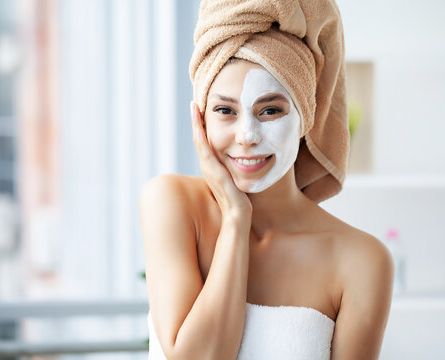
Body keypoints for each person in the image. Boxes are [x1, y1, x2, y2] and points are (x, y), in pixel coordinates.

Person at [140, 1, 394, 359]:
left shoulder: (362, 260)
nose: (247, 135)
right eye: (225, 110)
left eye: (271, 110)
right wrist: (235, 219)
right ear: (201, 119)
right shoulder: (170, 202)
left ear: (305, 118)